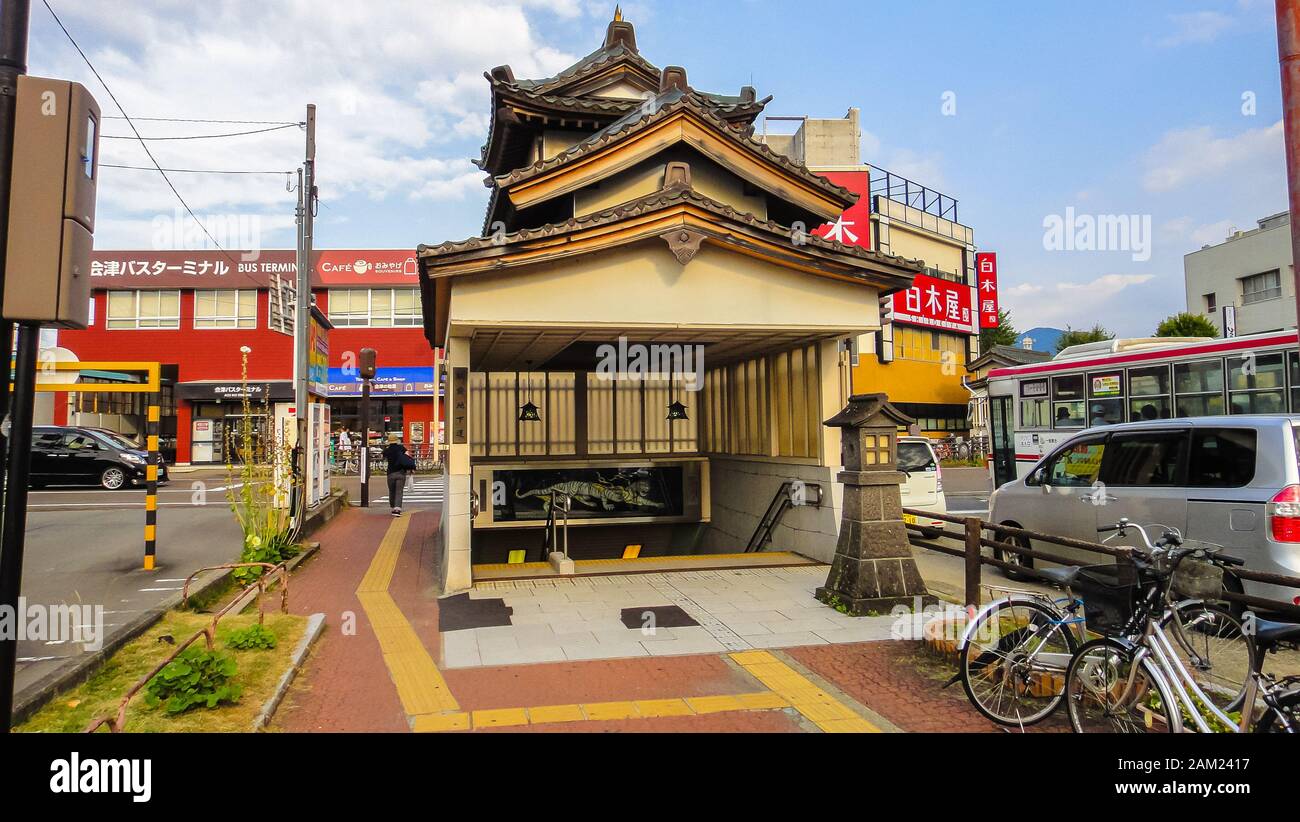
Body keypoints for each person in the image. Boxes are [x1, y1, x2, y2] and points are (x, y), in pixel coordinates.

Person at [382, 432, 416, 516]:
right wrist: (411, 468)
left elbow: (383, 461)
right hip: (401, 472)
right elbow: (408, 458)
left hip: (390, 473)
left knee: (392, 491)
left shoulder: (386, 451)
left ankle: (393, 505)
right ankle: (397, 509)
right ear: (397, 440)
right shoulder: (402, 448)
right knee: (399, 491)